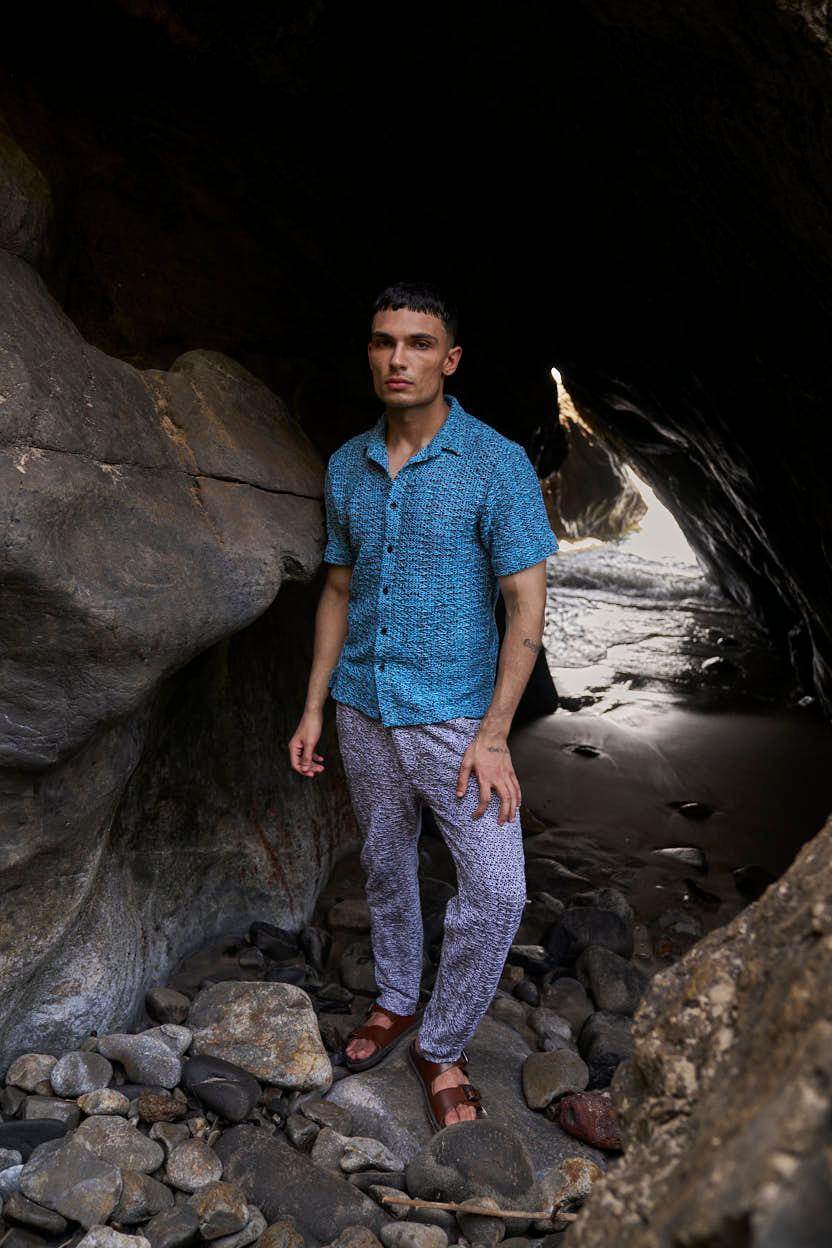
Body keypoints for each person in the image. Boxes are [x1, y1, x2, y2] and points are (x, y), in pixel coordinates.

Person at [288, 280, 559, 1131]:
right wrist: (314, 707)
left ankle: (442, 1045)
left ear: (451, 359)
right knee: (385, 860)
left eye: (417, 343)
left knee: (499, 889)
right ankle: (398, 999)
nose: (396, 358)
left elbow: (526, 604)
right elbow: (338, 590)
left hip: (458, 721)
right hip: (363, 707)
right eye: (383, 342)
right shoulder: (347, 465)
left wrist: (495, 737)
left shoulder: (496, 463)